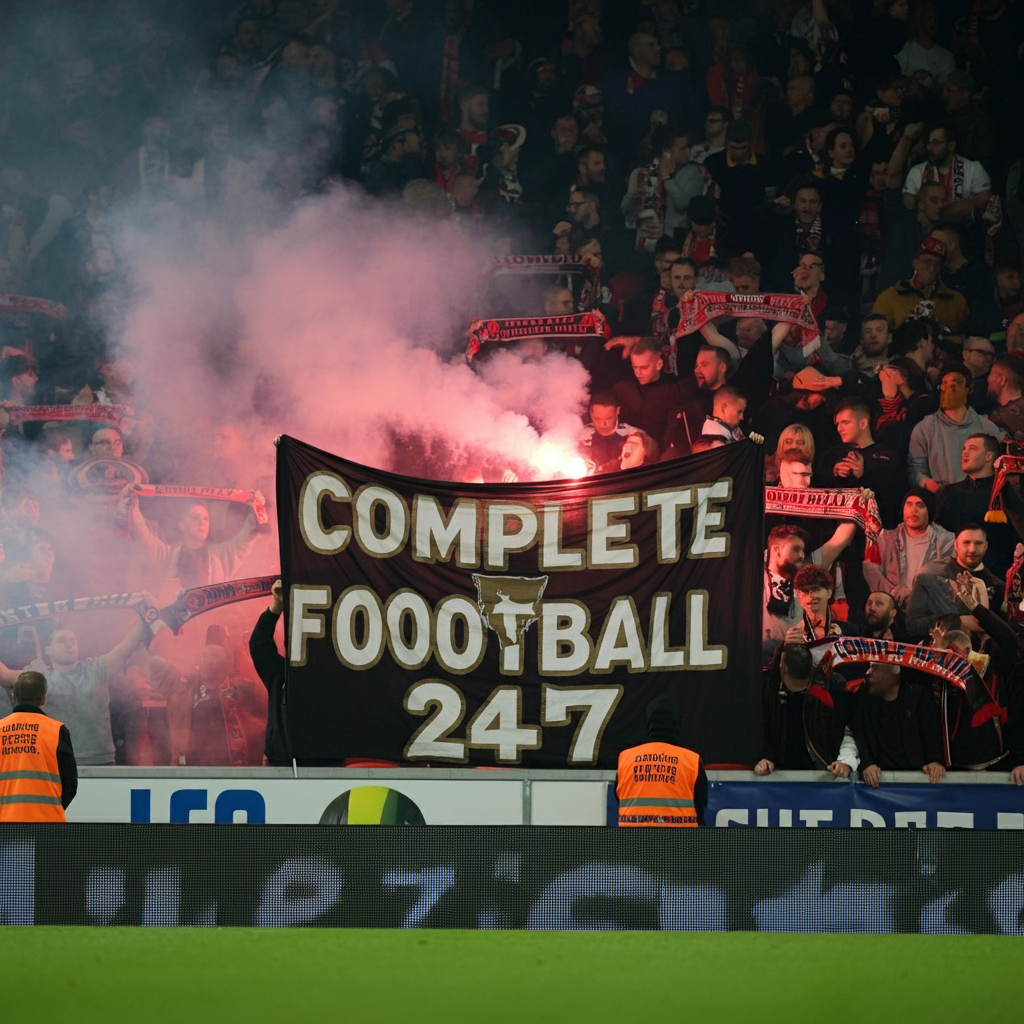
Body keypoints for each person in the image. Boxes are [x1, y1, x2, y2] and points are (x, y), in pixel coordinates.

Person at [755, 642, 859, 778]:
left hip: (823, 773)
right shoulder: (768, 686)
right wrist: (764, 758)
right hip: (777, 773)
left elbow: (848, 728)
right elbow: (760, 726)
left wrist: (845, 761)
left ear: (784, 668)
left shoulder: (833, 686)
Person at [126, 497, 260, 589]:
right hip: (177, 625)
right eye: (195, 518)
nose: (202, 523)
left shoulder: (221, 554)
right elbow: (144, 537)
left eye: (206, 519)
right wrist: (132, 505)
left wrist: (258, 510)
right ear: (182, 525)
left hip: (210, 621)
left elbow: (245, 539)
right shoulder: (168, 554)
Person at [615, 695, 706, 827]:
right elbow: (701, 804)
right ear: (676, 722)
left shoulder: (626, 758)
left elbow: (619, 798)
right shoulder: (691, 759)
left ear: (648, 721)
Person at [851, 661, 946, 787]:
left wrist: (934, 761)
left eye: (875, 668)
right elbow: (859, 733)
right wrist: (868, 763)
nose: (868, 673)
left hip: (916, 780)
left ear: (893, 674)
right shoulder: (864, 698)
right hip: (878, 782)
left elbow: (932, 732)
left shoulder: (918, 695)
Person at [908, 367, 1002, 493]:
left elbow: (998, 467)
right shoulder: (924, 428)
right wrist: (934, 487)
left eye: (956, 382)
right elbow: (916, 470)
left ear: (969, 389)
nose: (950, 388)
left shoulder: (987, 427)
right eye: (945, 384)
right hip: (942, 502)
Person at [934, 433, 1015, 579]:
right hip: (952, 573)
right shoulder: (949, 492)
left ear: (989, 456)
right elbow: (939, 535)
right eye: (964, 448)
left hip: (996, 575)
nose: (965, 452)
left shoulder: (1005, 493)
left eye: (972, 448)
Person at [0, 670, 77, 821]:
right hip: (48, 824)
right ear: (44, 698)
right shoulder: (57, 731)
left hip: (5, 824)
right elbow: (70, 783)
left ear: (14, 697)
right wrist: (50, 807)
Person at [905, 523, 1002, 639]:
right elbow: (913, 626)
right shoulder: (928, 575)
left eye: (978, 543)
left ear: (986, 546)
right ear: (956, 545)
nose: (972, 549)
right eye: (966, 543)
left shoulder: (997, 586)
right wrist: (958, 621)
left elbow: (1001, 634)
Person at [864, 488, 954, 606]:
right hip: (892, 605)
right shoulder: (887, 537)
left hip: (929, 606)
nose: (913, 510)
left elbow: (948, 579)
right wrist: (894, 593)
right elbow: (870, 568)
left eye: (920, 505)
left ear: (929, 511)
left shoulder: (945, 541)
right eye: (909, 504)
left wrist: (914, 594)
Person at [873, 238, 969, 334]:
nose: (932, 269)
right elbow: (877, 337)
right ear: (915, 263)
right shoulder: (889, 298)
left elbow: (968, 339)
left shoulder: (956, 301)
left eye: (937, 264)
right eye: (927, 262)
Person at [248, 579, 289, 766]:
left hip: (325, 763)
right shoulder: (281, 672)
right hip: (282, 761)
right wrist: (276, 608)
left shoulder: (333, 674)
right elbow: (259, 644)